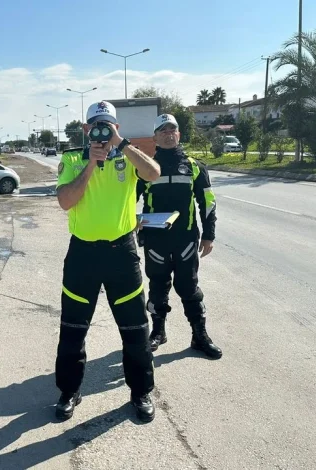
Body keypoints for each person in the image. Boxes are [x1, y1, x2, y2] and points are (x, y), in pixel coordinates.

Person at [54, 100, 161, 423]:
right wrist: (90, 164)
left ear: (116, 127)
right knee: (73, 329)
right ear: (86, 129)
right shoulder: (72, 158)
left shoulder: (128, 156)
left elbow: (153, 173)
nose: (101, 131)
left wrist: (121, 144)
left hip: (121, 254)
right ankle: (69, 391)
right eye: (96, 125)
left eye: (108, 125)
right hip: (83, 254)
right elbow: (65, 201)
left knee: (135, 329)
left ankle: (140, 392)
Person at [135, 114, 222, 359]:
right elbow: (128, 200)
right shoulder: (146, 167)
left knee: (189, 287)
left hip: (186, 239)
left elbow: (207, 203)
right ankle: (158, 332)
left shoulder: (194, 166)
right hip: (156, 240)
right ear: (155, 138)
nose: (168, 134)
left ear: (179, 134)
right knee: (157, 287)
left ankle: (199, 335)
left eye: (172, 129)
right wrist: (132, 222)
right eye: (162, 130)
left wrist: (209, 235)